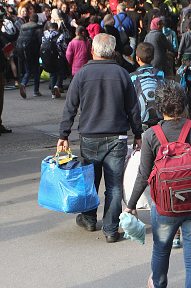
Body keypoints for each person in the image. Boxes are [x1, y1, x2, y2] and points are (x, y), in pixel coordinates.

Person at [124, 80, 191, 288]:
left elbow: (143, 174)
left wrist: (131, 205)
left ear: (159, 107)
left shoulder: (152, 135)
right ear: (184, 104)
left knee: (161, 249)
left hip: (164, 208)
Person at [57, 33, 142, 243]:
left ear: (92, 51)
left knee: (91, 181)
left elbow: (70, 107)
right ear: (113, 53)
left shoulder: (82, 74)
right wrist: (138, 133)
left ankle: (88, 219)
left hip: (90, 136)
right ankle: (111, 230)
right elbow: (133, 108)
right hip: (117, 136)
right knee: (113, 185)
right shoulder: (123, 74)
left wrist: (63, 134)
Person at [130, 42, 165, 128]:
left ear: (137, 58)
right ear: (153, 57)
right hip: (159, 117)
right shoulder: (160, 73)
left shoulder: (133, 76)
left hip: (141, 118)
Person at [17, 13, 43, 97]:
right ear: (37, 20)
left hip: (22, 51)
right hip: (33, 51)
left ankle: (23, 84)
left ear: (29, 19)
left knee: (28, 70)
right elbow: (40, 41)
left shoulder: (22, 27)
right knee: (36, 71)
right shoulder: (37, 28)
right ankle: (36, 90)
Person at [42, 21, 67, 99]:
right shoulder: (60, 35)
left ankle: (53, 93)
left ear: (49, 28)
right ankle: (57, 85)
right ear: (57, 28)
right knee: (60, 73)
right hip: (58, 57)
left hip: (48, 57)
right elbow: (64, 46)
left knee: (52, 74)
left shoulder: (44, 36)